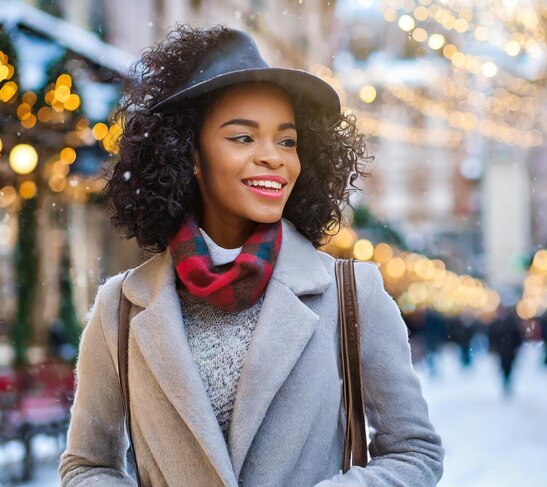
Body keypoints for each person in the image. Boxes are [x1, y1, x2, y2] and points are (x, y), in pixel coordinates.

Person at [58, 26, 443, 487]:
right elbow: (86, 465)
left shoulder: (352, 294)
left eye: (286, 141)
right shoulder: (120, 307)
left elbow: (414, 451)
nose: (274, 158)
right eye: (243, 138)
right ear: (191, 155)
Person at [488, 305, 523, 397]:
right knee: (503, 366)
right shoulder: (496, 323)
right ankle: (505, 381)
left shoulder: (512, 322)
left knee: (509, 367)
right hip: (502, 350)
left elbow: (517, 336)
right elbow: (492, 336)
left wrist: (517, 346)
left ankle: (507, 381)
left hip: (510, 350)